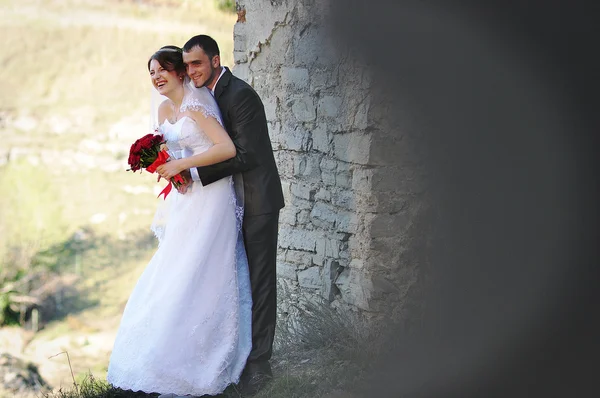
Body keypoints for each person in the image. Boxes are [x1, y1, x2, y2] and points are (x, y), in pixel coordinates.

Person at [106, 46, 252, 398]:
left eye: (162, 71)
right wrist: (166, 168)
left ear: (180, 73)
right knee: (176, 268)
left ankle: (207, 358)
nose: (156, 77)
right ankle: (163, 355)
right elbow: (169, 152)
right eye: (151, 73)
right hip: (186, 198)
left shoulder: (197, 104)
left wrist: (183, 166)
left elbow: (226, 148)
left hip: (213, 197)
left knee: (203, 269)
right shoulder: (162, 109)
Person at [173, 34, 285, 395]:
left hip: (257, 201)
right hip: (228, 204)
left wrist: (193, 172)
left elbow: (247, 155)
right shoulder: (205, 96)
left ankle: (260, 366)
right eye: (187, 65)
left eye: (198, 64)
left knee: (260, 282)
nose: (191, 71)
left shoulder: (240, 95)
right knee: (235, 280)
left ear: (216, 61)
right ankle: (233, 358)